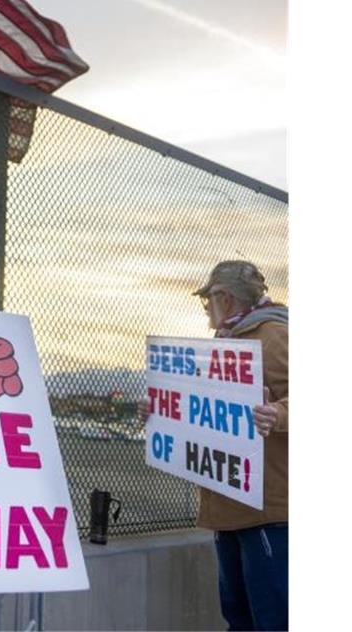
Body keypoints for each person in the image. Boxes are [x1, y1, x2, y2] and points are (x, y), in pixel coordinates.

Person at [138, 260, 287, 631]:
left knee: (270, 618)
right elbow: (206, 412)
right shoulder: (229, 343)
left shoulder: (275, 337)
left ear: (225, 297)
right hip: (230, 505)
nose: (207, 311)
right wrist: (161, 411)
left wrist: (277, 415)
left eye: (208, 302)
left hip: (267, 510)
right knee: (239, 617)